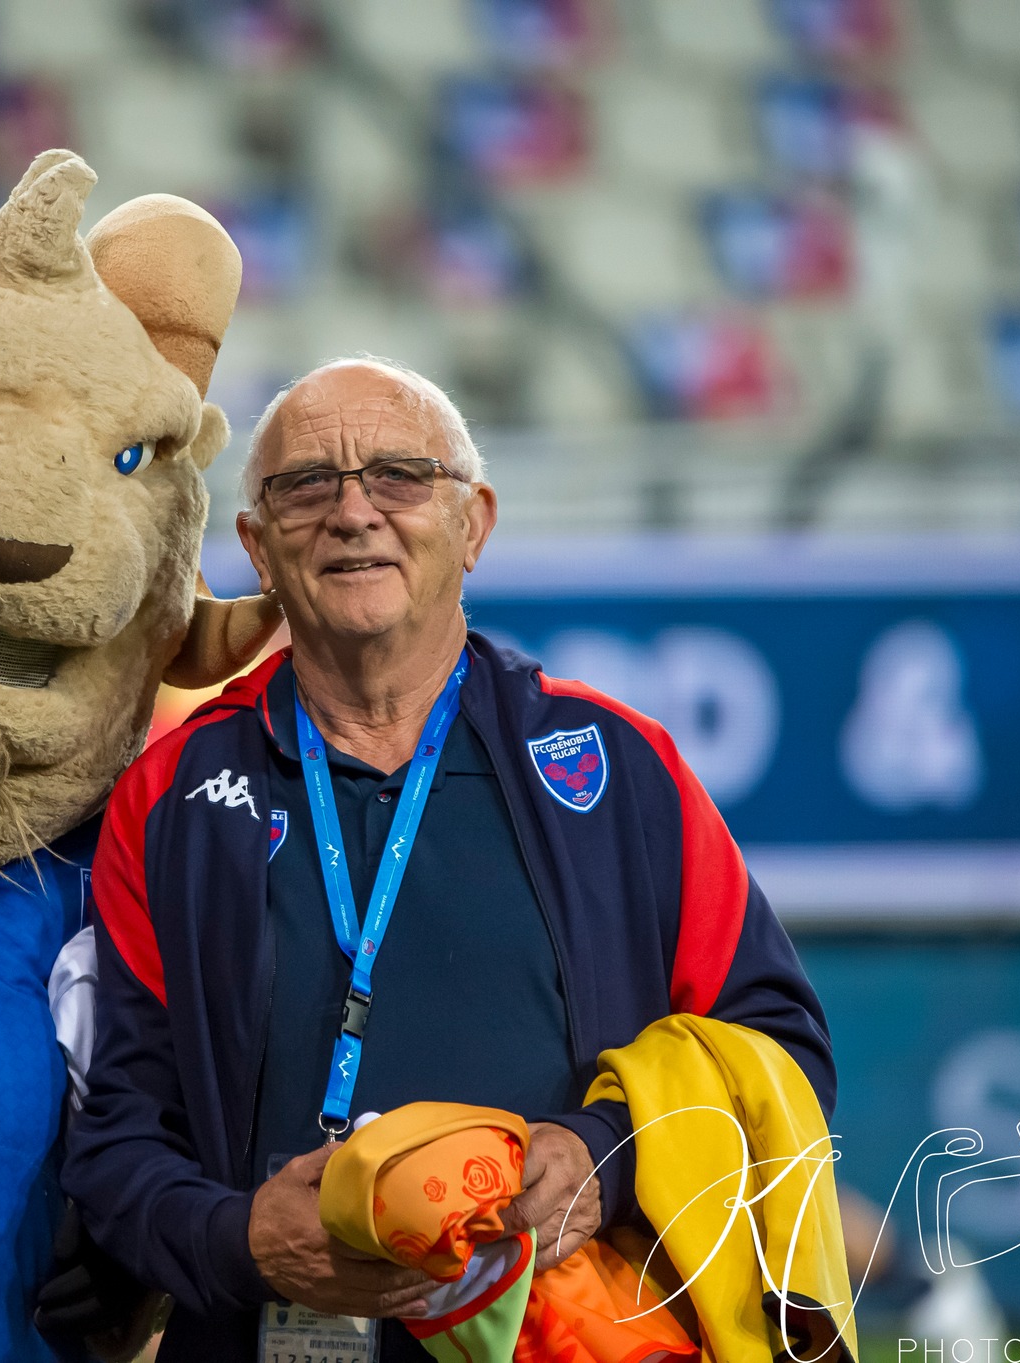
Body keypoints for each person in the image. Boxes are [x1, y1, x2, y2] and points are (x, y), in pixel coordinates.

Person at [61, 359, 836, 1360]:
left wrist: (606, 1155)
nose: (353, 513)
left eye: (399, 475)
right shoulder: (171, 796)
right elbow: (116, 1139)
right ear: (256, 546)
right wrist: (240, 1240)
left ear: (473, 523)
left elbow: (779, 1049)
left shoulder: (616, 771)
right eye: (307, 484)